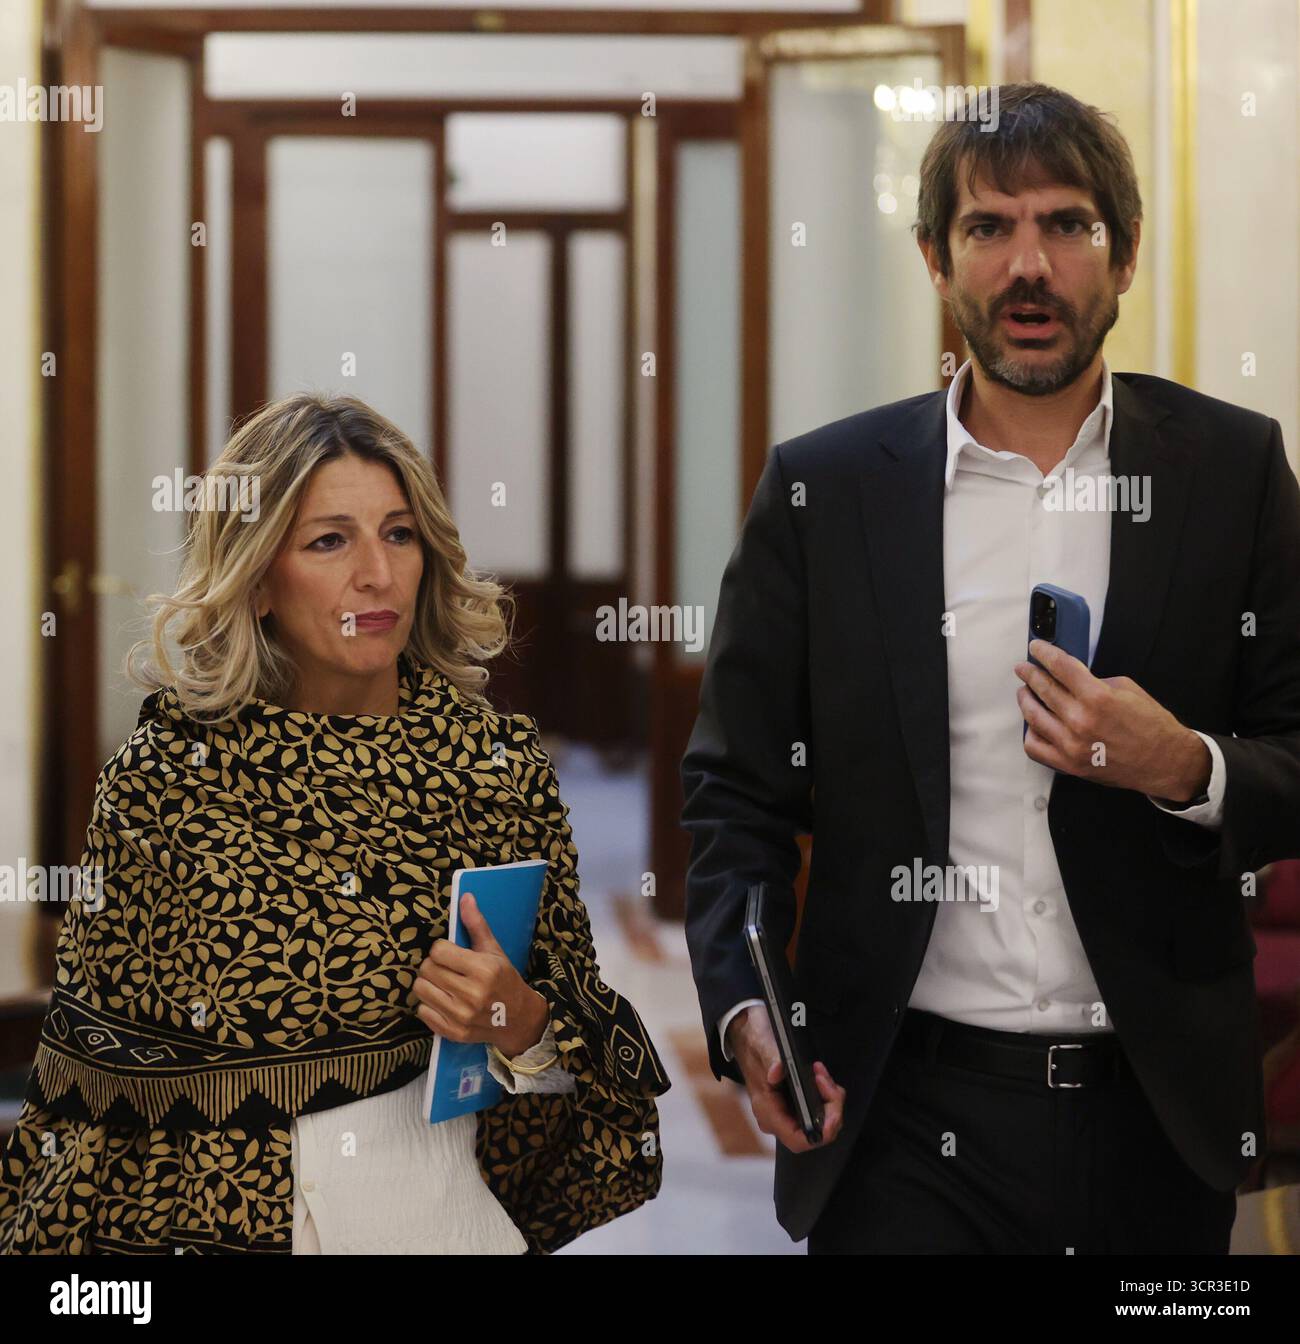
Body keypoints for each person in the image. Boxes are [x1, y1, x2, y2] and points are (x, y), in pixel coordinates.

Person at [681, 82, 1300, 1254]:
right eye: (988, 228)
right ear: (934, 258)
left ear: (1121, 263)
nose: (1030, 265)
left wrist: (1186, 765)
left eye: (1067, 225)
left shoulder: (1233, 471)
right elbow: (737, 792)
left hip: (1153, 1114)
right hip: (898, 1109)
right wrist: (745, 1007)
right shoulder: (827, 494)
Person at [0, 393, 669, 1254]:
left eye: (398, 533)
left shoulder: (495, 770)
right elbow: (95, 1084)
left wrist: (518, 1023)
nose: (377, 575)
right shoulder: (163, 783)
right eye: (328, 540)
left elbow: (577, 1055)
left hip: (439, 1220)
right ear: (258, 577)